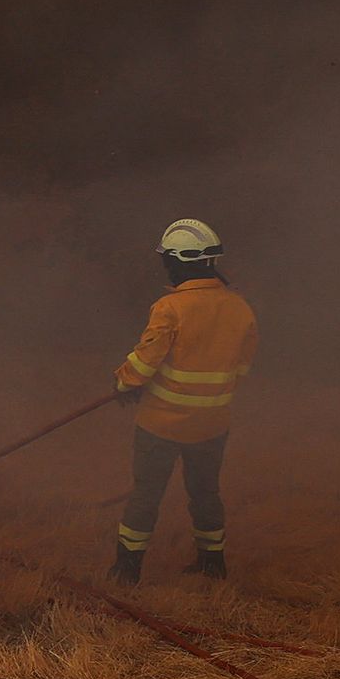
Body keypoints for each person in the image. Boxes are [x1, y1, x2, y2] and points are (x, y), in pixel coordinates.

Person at [110, 219, 258, 583]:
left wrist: (124, 384)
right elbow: (240, 369)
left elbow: (144, 363)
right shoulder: (241, 308)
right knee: (206, 493)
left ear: (178, 262)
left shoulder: (170, 307)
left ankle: (127, 570)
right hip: (212, 425)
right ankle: (213, 564)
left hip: (161, 424)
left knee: (146, 494)